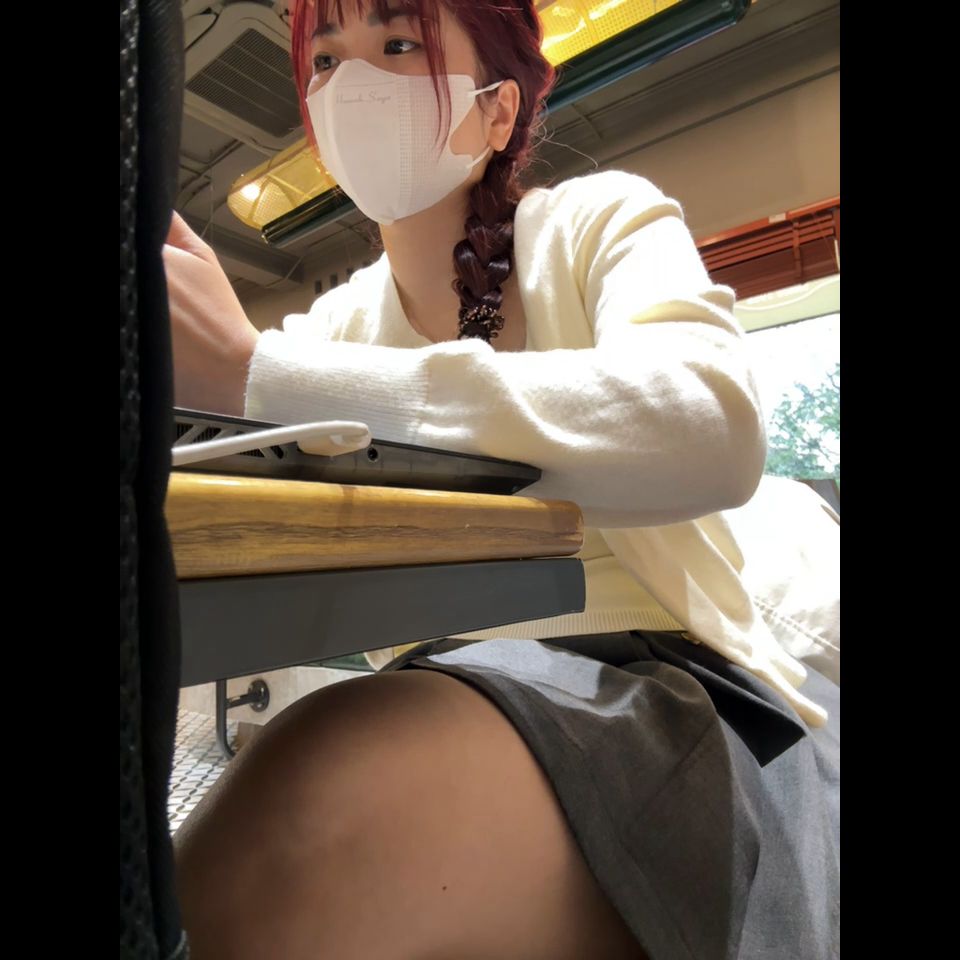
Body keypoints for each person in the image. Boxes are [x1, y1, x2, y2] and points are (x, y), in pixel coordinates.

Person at [166, 2, 840, 958]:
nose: (353, 84)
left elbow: (711, 425)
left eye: (399, 44)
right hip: (446, 682)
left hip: (660, 673)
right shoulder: (333, 328)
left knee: (305, 826)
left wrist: (255, 375)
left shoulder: (593, 221)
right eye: (325, 60)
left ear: (495, 111)